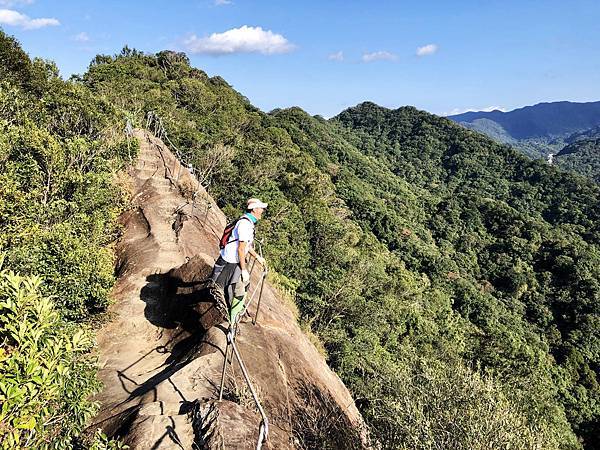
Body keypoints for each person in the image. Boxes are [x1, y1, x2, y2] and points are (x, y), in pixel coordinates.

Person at [211, 198, 267, 322]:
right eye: (260, 208)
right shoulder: (245, 224)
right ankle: (233, 315)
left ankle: (233, 312)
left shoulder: (248, 222)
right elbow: (241, 249)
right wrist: (243, 269)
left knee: (234, 285)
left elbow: (246, 245)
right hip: (231, 259)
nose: (262, 210)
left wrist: (257, 257)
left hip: (233, 259)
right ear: (253, 209)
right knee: (232, 287)